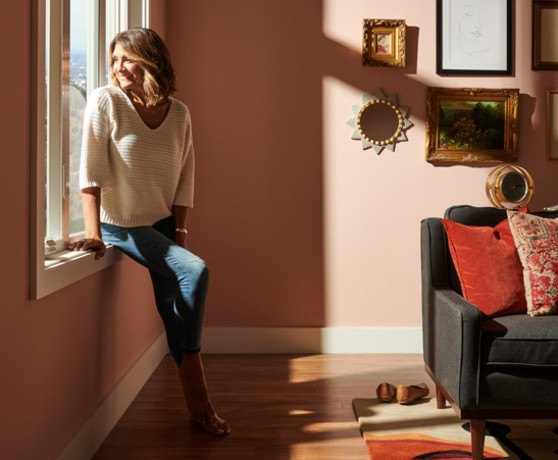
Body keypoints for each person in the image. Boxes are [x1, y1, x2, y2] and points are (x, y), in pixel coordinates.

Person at [68, 27, 231, 436]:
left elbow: (184, 179)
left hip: (159, 223)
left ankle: (198, 405)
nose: (119, 67)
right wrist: (95, 233)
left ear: (151, 60)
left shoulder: (179, 113)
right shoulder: (106, 101)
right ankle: (198, 388)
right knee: (195, 272)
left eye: (128, 58)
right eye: (114, 60)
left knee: (174, 308)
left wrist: (179, 232)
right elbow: (91, 175)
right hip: (120, 224)